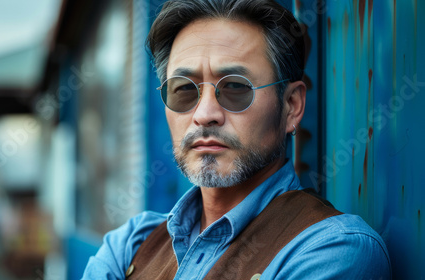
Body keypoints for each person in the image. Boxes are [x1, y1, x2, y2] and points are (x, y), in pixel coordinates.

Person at [82, 0, 391, 279]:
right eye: (185, 90)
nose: (205, 114)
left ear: (291, 106)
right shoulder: (132, 244)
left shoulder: (332, 250)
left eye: (235, 88)